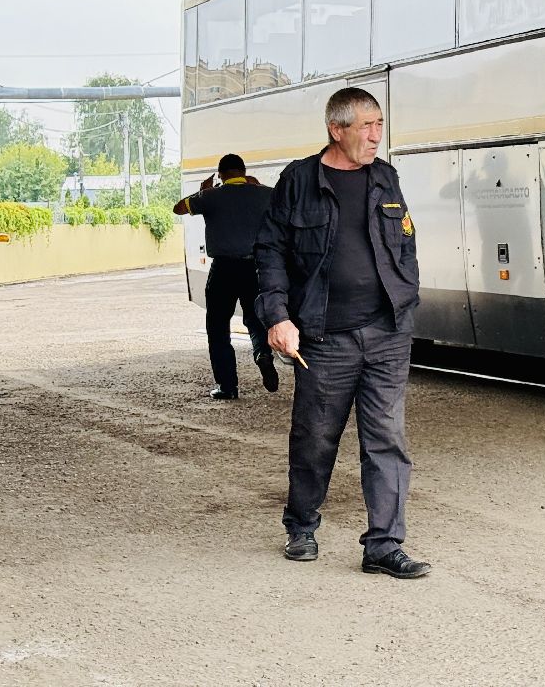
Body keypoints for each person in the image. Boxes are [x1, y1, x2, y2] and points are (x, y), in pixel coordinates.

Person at [254, 87, 429, 579]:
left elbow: (405, 242)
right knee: (315, 437)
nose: (377, 134)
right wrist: (277, 317)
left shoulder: (385, 177)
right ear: (337, 129)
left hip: (388, 332)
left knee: (386, 438)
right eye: (367, 125)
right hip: (325, 338)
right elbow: (270, 251)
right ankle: (302, 526)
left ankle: (384, 544)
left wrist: (406, 294)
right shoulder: (299, 181)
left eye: (380, 124)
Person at [173, 153, 278, 400]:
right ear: (244, 172)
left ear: (220, 174)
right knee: (255, 319)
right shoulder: (265, 194)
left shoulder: (210, 197)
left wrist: (202, 192)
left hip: (223, 270)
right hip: (255, 268)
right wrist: (258, 185)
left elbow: (178, 208)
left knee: (218, 327)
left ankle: (228, 386)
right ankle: (262, 353)